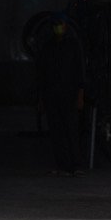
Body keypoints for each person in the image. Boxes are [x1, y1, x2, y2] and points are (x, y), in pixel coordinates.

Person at [38, 13, 85, 176]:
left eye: (61, 25)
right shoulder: (47, 47)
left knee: (71, 129)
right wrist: (41, 98)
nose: (58, 28)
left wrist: (80, 94)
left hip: (69, 95)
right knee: (57, 131)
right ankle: (62, 165)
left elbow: (80, 70)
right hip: (51, 95)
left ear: (66, 26)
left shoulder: (73, 45)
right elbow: (42, 74)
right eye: (56, 25)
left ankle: (76, 165)